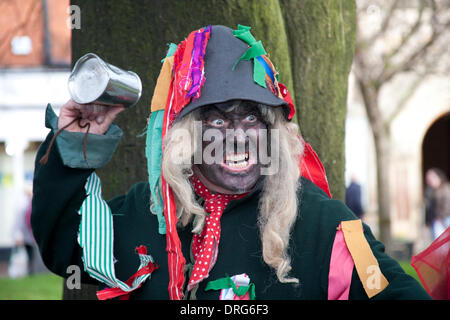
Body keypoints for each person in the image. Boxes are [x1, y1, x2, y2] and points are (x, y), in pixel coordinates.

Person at [31, 25, 430, 300]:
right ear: (187, 137)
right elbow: (64, 242)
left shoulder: (323, 224)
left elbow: (390, 290)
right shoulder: (150, 211)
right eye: (218, 119)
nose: (238, 135)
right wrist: (74, 140)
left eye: (252, 117)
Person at [425, 168, 450, 240]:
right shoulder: (430, 191)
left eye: (431, 178)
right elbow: (429, 207)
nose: (429, 181)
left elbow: (447, 205)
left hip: (445, 218)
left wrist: (440, 217)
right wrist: (428, 220)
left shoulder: (446, 188)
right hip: (435, 220)